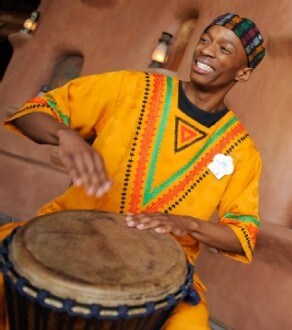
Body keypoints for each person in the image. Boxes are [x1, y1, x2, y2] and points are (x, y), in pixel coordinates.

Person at [1, 12, 265, 329]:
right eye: (205, 40)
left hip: (160, 274)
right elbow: (35, 112)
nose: (206, 51)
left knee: (190, 324)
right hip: (68, 234)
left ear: (244, 72)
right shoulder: (131, 87)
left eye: (225, 49)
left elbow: (241, 236)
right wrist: (64, 135)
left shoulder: (241, 151)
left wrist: (186, 224)